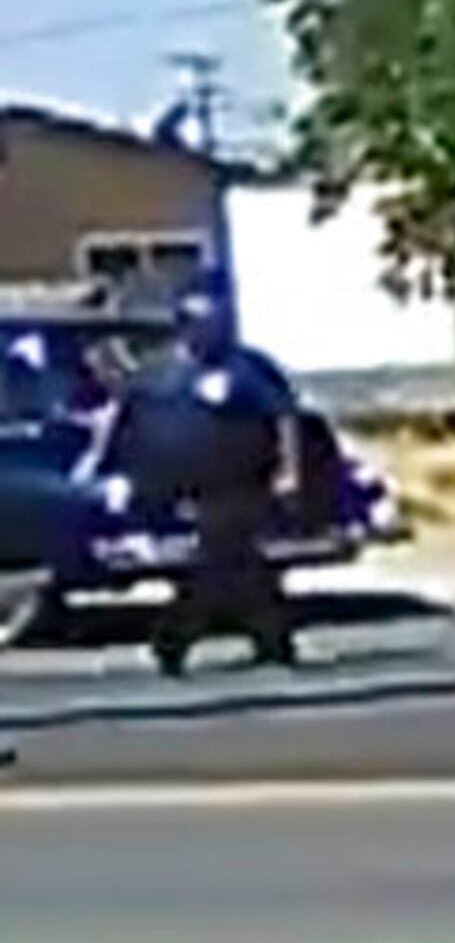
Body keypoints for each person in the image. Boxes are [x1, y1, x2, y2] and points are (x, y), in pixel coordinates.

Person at [96, 276, 303, 676]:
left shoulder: (248, 368)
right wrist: (115, 468)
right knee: (238, 567)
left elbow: (283, 417)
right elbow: (126, 416)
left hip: (241, 482)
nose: (207, 332)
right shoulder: (162, 372)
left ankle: (184, 639)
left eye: (214, 323)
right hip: (183, 486)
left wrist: (288, 470)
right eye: (198, 323)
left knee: (225, 560)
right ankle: (265, 639)